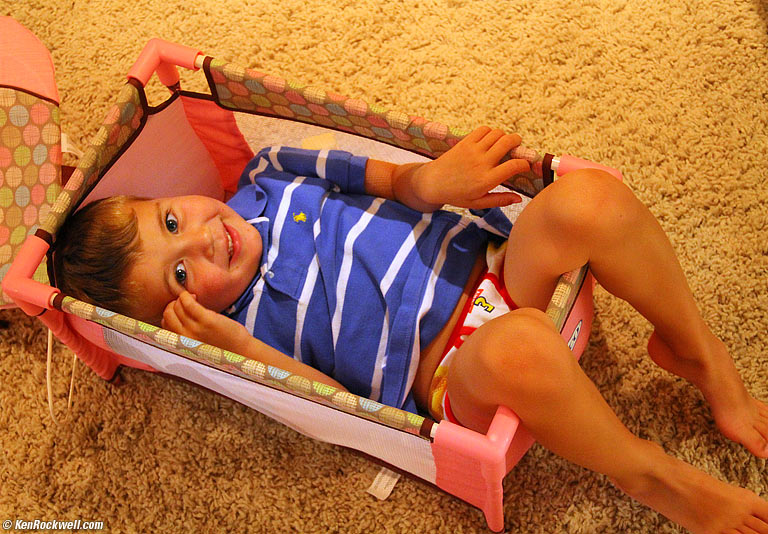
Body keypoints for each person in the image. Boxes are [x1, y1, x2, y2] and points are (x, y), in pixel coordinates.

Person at [54, 127, 768, 533]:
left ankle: (699, 354)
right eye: (181, 274)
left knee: (589, 200)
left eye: (171, 220)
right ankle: (650, 473)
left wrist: (431, 181)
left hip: (495, 269)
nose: (202, 241)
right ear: (177, 313)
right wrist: (239, 349)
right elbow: (332, 404)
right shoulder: (235, 330)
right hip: (455, 368)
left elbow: (387, 181)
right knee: (521, 345)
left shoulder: (269, 173)